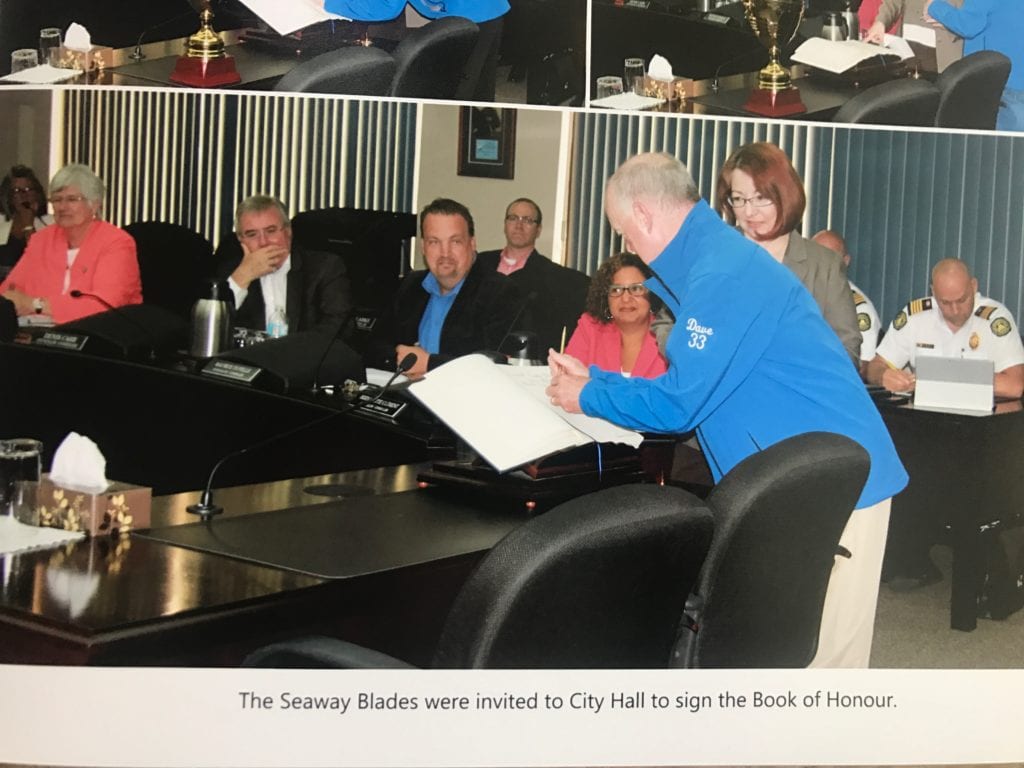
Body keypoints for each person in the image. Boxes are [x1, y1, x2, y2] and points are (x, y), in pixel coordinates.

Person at [546, 152, 907, 668]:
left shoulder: (723, 272)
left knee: (828, 664)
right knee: (783, 647)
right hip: (795, 476)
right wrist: (596, 378)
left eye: (623, 230)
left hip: (840, 479)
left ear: (645, 215)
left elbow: (678, 405)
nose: (626, 245)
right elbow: (696, 379)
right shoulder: (708, 261)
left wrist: (586, 396)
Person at [716, 142, 861, 364]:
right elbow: (668, 325)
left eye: (761, 197)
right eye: (738, 198)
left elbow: (847, 348)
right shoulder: (713, 253)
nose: (749, 211)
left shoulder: (824, 265)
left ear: (784, 195)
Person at [367, 197, 523, 378]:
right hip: (407, 397)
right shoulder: (412, 285)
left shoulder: (501, 293)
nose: (445, 253)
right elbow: (372, 348)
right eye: (434, 242)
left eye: (455, 241)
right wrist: (400, 360)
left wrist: (429, 364)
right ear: (423, 247)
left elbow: (496, 366)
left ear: (472, 244)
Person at [0, 164, 141, 324]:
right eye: (57, 199)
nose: (62, 207)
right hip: (37, 334)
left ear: (94, 204)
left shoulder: (117, 243)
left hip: (99, 336)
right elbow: (9, 290)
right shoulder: (42, 239)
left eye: (72, 199)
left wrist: (35, 304)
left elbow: (104, 305)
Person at [865, 258, 1024, 398]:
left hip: (979, 421)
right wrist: (883, 376)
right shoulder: (915, 317)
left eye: (962, 300)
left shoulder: (994, 320)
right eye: (945, 303)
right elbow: (874, 367)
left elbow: (1015, 386)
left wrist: (940, 380)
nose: (955, 310)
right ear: (933, 292)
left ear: (974, 286)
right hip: (924, 418)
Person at [322, 0, 510, 101]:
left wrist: (325, 2)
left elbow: (384, 7)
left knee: (458, 97)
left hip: (475, 12)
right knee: (476, 96)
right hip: (483, 10)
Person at [219, 195, 351, 337]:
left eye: (271, 231)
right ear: (240, 239)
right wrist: (243, 276)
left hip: (302, 356)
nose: (263, 242)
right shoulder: (231, 272)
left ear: (288, 231)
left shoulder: (324, 267)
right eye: (252, 234)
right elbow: (210, 329)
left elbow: (339, 328)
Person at [476, 197, 590, 354]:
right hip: (478, 357)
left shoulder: (552, 276)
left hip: (523, 359)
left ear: (538, 230)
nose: (519, 225)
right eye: (513, 218)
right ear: (505, 225)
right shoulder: (480, 264)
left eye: (528, 220)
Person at [924, 0, 1024, 131]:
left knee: (1002, 142)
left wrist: (934, 6)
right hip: (1017, 76)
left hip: (999, 80)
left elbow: (968, 25)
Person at [564, 252, 667, 378]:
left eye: (636, 289)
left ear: (652, 293)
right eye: (616, 290)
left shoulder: (666, 333)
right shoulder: (590, 329)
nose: (626, 299)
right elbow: (568, 381)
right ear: (605, 296)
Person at [812, 229, 881, 375]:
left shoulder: (860, 310)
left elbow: (862, 368)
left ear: (846, 261)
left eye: (830, 257)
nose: (822, 263)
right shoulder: (796, 294)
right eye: (816, 255)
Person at [0, 165, 52, 275]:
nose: (24, 195)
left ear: (36, 194)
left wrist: (29, 226)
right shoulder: (1, 224)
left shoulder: (51, 224)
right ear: (9, 197)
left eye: (28, 189)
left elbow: (43, 265)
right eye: (17, 190)